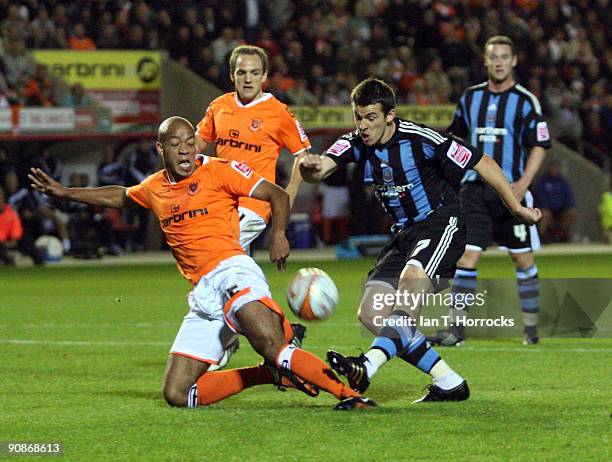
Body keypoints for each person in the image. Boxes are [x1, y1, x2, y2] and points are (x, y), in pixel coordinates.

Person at [29, 116, 374, 411]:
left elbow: (276, 194)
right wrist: (67, 193)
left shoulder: (220, 170)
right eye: (175, 144)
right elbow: (122, 195)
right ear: (160, 149)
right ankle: (268, 373)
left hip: (233, 270)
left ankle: (348, 394)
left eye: (189, 142)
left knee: (271, 343)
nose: (185, 149)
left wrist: (279, 234)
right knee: (178, 394)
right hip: (204, 293)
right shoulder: (155, 187)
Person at [299, 78, 540, 401]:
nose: (363, 125)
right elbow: (321, 168)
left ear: (390, 115)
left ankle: (367, 366)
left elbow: (482, 162)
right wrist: (309, 167)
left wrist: (516, 208)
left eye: (371, 117)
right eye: (359, 117)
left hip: (441, 224)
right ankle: (449, 381)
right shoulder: (354, 142)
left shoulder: (421, 137)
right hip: (403, 234)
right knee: (372, 314)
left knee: (410, 286)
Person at [429, 35, 552, 347]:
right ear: (485, 62)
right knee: (467, 258)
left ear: (513, 61)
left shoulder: (526, 101)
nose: (498, 61)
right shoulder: (470, 98)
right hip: (474, 191)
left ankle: (531, 330)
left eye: (503, 56)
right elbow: (453, 138)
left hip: (512, 192)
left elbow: (539, 144)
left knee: (522, 261)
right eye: (493, 57)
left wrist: (523, 183)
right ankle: (456, 332)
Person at [195, 45, 312, 255]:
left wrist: (283, 208)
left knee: (218, 252)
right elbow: (197, 145)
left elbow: (302, 158)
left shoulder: (278, 112)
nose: (248, 79)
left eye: (254, 73)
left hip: (254, 205)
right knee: (239, 267)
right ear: (232, 75)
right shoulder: (219, 107)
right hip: (221, 204)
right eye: (242, 72)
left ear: (264, 76)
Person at [535, 161, 576, 243]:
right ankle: (542, 236)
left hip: (560, 209)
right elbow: (541, 197)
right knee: (545, 214)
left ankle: (561, 234)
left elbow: (569, 196)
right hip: (547, 208)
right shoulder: (543, 181)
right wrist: (548, 207)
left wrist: (569, 206)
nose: (554, 170)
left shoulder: (563, 181)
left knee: (571, 212)